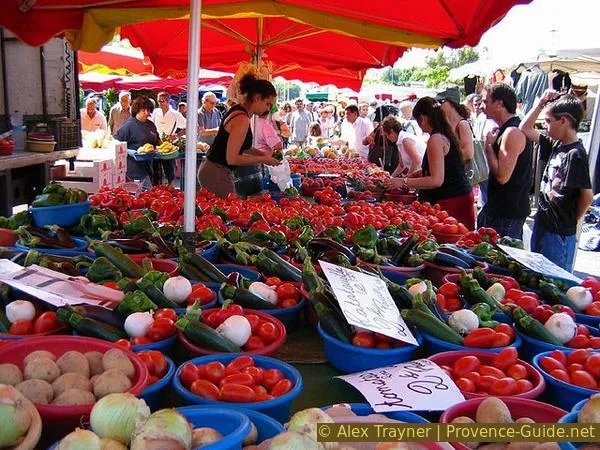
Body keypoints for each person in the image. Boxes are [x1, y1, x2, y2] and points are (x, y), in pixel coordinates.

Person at [520, 91, 593, 271]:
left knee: (553, 284)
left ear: (564, 121)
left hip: (558, 232)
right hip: (542, 224)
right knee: (535, 277)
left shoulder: (575, 154)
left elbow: (587, 196)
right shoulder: (555, 144)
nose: (546, 126)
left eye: (548, 121)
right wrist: (542, 103)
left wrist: (569, 220)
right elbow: (525, 128)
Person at [384, 97, 475, 230]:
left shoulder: (436, 139)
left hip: (451, 199)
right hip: (459, 195)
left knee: (453, 243)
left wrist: (403, 181)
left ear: (423, 118)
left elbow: (436, 180)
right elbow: (446, 165)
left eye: (418, 121)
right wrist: (421, 172)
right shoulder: (445, 133)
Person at [197, 74, 280, 198]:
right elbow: (233, 158)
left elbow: (243, 147)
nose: (267, 108)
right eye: (267, 103)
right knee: (228, 211)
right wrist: (264, 159)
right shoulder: (242, 119)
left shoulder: (239, 110)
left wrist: (263, 154)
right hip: (216, 171)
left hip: (213, 169)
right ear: (257, 98)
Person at [478, 83, 532, 240]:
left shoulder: (512, 132)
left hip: (506, 214)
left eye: (486, 101)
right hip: (500, 210)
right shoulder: (506, 129)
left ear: (500, 103)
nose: (482, 106)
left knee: (499, 260)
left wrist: (488, 146)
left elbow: (503, 176)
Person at [115, 96, 159, 188]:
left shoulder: (151, 125)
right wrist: (129, 151)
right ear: (137, 110)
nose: (146, 113)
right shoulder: (129, 126)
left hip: (148, 167)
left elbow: (157, 140)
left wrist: (165, 148)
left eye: (148, 110)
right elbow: (116, 143)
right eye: (143, 110)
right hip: (133, 169)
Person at [151, 91, 186, 185]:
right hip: (157, 144)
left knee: (169, 169)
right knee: (155, 170)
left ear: (168, 101)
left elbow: (187, 127)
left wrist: (177, 135)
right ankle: (156, 188)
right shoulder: (155, 112)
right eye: (158, 101)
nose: (160, 103)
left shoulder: (175, 114)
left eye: (162, 101)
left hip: (169, 145)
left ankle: (170, 187)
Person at [436, 88, 474, 164]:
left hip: (461, 172)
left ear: (452, 103)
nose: (439, 105)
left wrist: (443, 156)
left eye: (442, 101)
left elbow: (468, 153)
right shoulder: (445, 125)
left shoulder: (462, 124)